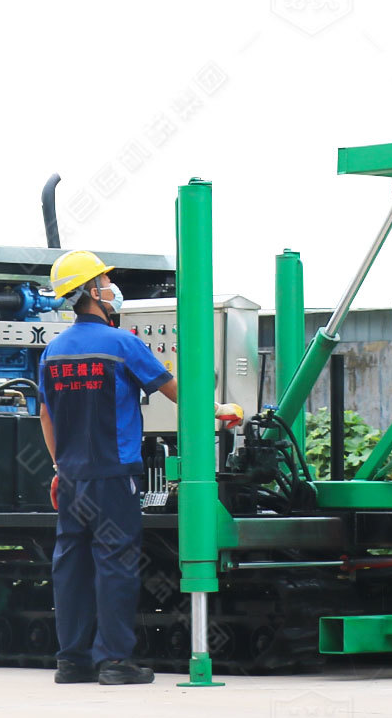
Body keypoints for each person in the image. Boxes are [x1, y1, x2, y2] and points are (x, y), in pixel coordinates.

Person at [37, 249, 238, 685]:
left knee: (70, 565)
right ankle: (114, 662)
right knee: (115, 563)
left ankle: (72, 661)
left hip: (71, 478)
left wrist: (58, 467)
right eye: (105, 281)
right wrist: (219, 409)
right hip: (114, 476)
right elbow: (177, 392)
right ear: (92, 292)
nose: (112, 288)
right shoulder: (122, 344)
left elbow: (46, 415)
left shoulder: (53, 351)